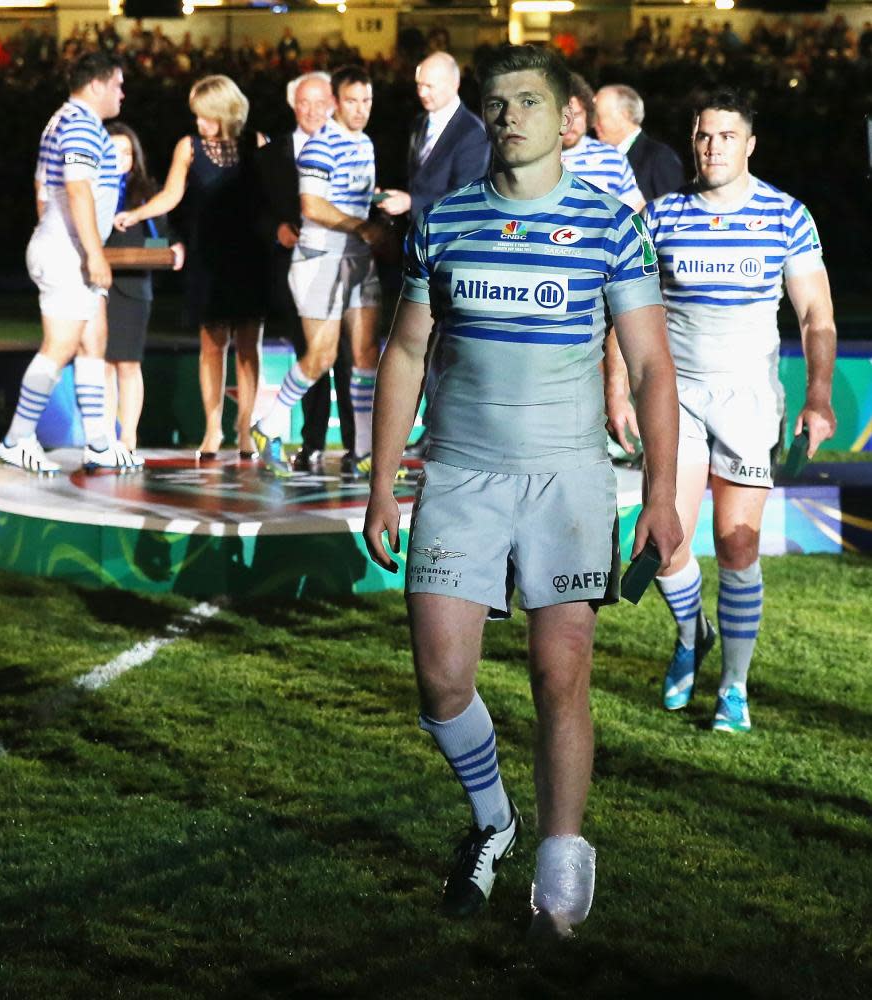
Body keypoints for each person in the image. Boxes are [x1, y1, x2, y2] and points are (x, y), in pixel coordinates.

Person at [363, 45, 681, 938]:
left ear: (564, 117)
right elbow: (407, 354)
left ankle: (560, 866)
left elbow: (653, 366)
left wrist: (658, 494)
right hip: (460, 473)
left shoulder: (612, 221)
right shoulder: (446, 220)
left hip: (568, 479)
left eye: (527, 101)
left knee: (559, 672)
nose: (508, 118)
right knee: (440, 680)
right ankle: (493, 820)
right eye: (496, 104)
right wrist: (384, 482)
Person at [605, 89, 836, 733]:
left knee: (737, 545)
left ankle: (733, 686)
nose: (713, 148)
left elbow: (816, 315)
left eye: (727, 136)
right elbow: (629, 309)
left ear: (749, 144)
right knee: (659, 538)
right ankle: (691, 633)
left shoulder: (785, 215)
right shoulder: (662, 215)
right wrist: (616, 385)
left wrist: (818, 395)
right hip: (673, 394)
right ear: (692, 140)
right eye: (704, 135)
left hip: (746, 399)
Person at [0, 50, 140, 475]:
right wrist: (90, 254)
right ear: (95, 84)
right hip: (69, 251)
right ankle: (17, 438)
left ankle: (98, 443)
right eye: (116, 84)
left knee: (94, 341)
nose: (122, 92)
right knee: (59, 347)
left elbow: (43, 189)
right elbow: (76, 191)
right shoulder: (78, 124)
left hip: (65, 247)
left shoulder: (67, 121)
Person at [114, 74, 269, 460]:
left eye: (206, 115)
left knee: (249, 346)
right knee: (212, 346)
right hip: (208, 257)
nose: (199, 122)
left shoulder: (257, 142)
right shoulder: (189, 146)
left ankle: (245, 427)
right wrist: (136, 215)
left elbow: (271, 197)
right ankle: (213, 430)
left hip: (250, 256)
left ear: (225, 111)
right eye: (196, 115)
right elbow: (170, 195)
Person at [252, 65, 386, 479]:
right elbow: (312, 207)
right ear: (336, 103)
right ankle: (269, 424)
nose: (360, 109)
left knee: (365, 355)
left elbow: (354, 198)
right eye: (352, 101)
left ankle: (364, 449)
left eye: (367, 101)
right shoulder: (319, 147)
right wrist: (362, 226)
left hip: (358, 259)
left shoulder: (364, 143)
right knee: (321, 356)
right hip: (319, 260)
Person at [376, 51, 492, 460]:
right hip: (419, 253)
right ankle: (421, 425)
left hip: (454, 255)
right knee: (418, 346)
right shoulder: (420, 125)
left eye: (430, 85)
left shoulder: (473, 133)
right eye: (419, 85)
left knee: (443, 346)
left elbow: (466, 195)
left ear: (454, 84)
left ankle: (439, 428)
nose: (422, 93)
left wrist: (412, 200)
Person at [104, 121, 184, 459]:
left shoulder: (147, 194)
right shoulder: (92, 189)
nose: (121, 158)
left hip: (135, 287)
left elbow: (159, 236)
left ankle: (129, 437)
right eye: (113, 151)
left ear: (135, 157)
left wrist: (173, 247)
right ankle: (105, 437)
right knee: (104, 365)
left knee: (128, 364)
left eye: (126, 152)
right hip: (100, 284)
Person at [560, 72, 644, 211]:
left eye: (577, 114)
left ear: (588, 113)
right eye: (561, 115)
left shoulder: (612, 158)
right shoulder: (528, 157)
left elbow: (637, 217)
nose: (569, 123)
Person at [594, 85, 685, 203]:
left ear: (624, 115)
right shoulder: (598, 158)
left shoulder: (659, 158)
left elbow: (674, 213)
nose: (593, 124)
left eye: (598, 117)